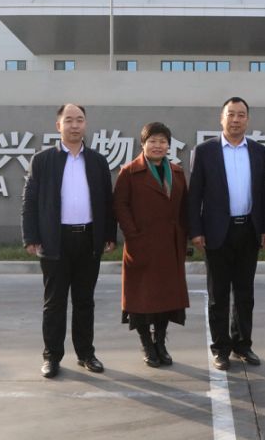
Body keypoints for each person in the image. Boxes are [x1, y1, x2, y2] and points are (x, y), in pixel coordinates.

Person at [22, 103, 117, 378]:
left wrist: (109, 234)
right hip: (55, 240)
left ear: (85, 124)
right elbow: (30, 201)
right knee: (54, 302)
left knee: (85, 301)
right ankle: (51, 356)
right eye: (69, 120)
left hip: (88, 239)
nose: (75, 125)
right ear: (58, 125)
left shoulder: (97, 161)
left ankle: (86, 354)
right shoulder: (42, 160)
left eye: (80, 120)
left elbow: (107, 202)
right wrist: (31, 236)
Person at [187, 97, 265, 371]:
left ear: (248, 119)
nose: (236, 120)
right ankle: (220, 348)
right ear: (221, 118)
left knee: (245, 293)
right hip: (216, 232)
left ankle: (243, 344)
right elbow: (194, 195)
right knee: (218, 294)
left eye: (241, 115)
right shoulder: (205, 151)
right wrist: (196, 231)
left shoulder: (258, 151)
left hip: (249, 229)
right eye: (231, 114)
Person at [113, 122, 190, 368]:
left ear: (169, 145)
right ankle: (147, 343)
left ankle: (160, 342)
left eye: (162, 141)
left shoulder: (177, 172)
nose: (158, 145)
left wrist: (185, 236)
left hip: (170, 246)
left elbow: (185, 207)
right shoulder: (129, 172)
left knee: (165, 298)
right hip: (141, 245)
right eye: (152, 141)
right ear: (143, 144)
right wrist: (132, 235)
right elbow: (120, 206)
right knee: (142, 298)